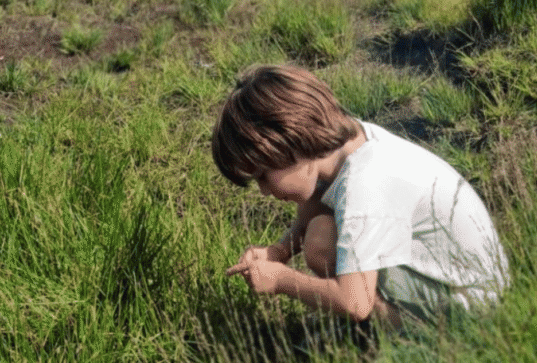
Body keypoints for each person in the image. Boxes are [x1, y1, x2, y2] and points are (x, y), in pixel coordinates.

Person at [212, 64, 507, 327]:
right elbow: (315, 200)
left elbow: (354, 303)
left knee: (322, 242)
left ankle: (418, 334)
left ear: (294, 144)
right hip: (462, 280)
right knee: (321, 228)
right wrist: (279, 251)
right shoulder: (353, 141)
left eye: (263, 175)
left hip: (470, 309)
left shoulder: (366, 185)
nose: (264, 191)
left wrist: (280, 279)